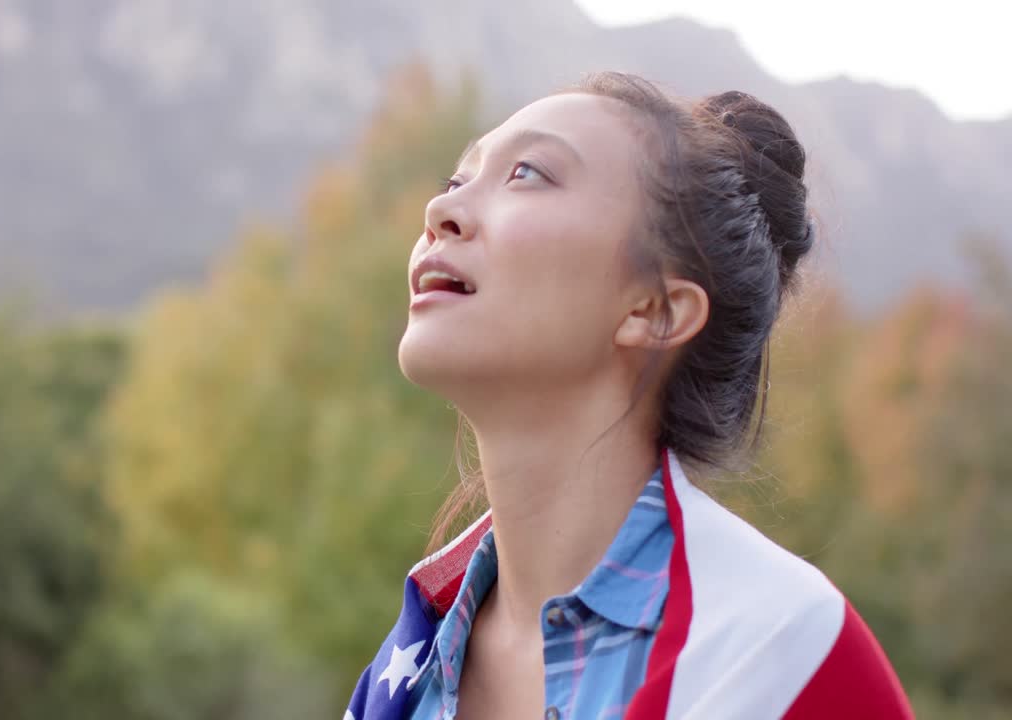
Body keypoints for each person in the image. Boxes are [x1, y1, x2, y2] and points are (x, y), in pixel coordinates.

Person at [343, 72, 914, 720]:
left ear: (655, 309)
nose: (439, 212)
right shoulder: (403, 677)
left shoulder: (782, 659)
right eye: (456, 181)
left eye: (527, 173)